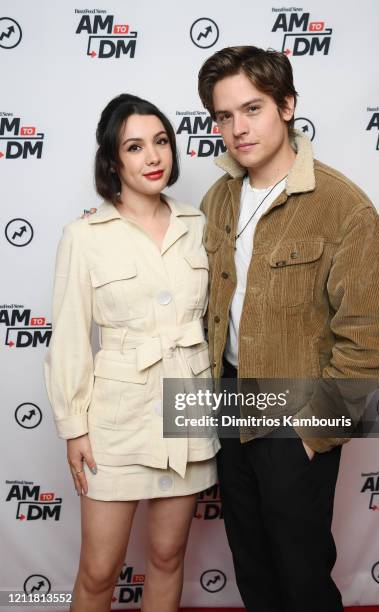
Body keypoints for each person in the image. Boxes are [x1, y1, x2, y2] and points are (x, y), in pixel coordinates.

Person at [197, 46, 379, 612]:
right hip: (232, 403)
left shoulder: (341, 206)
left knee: (301, 572)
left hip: (298, 412)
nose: (238, 128)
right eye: (224, 116)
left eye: (253, 109)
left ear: (287, 106)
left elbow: (378, 334)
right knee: (252, 563)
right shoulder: (218, 198)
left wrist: (317, 430)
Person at [44, 93, 219, 612]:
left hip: (188, 407)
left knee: (168, 557)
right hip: (116, 420)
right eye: (136, 146)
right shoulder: (84, 236)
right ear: (113, 160)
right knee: (99, 572)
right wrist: (73, 424)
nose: (153, 157)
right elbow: (71, 335)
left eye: (161, 141)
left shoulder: (200, 225)